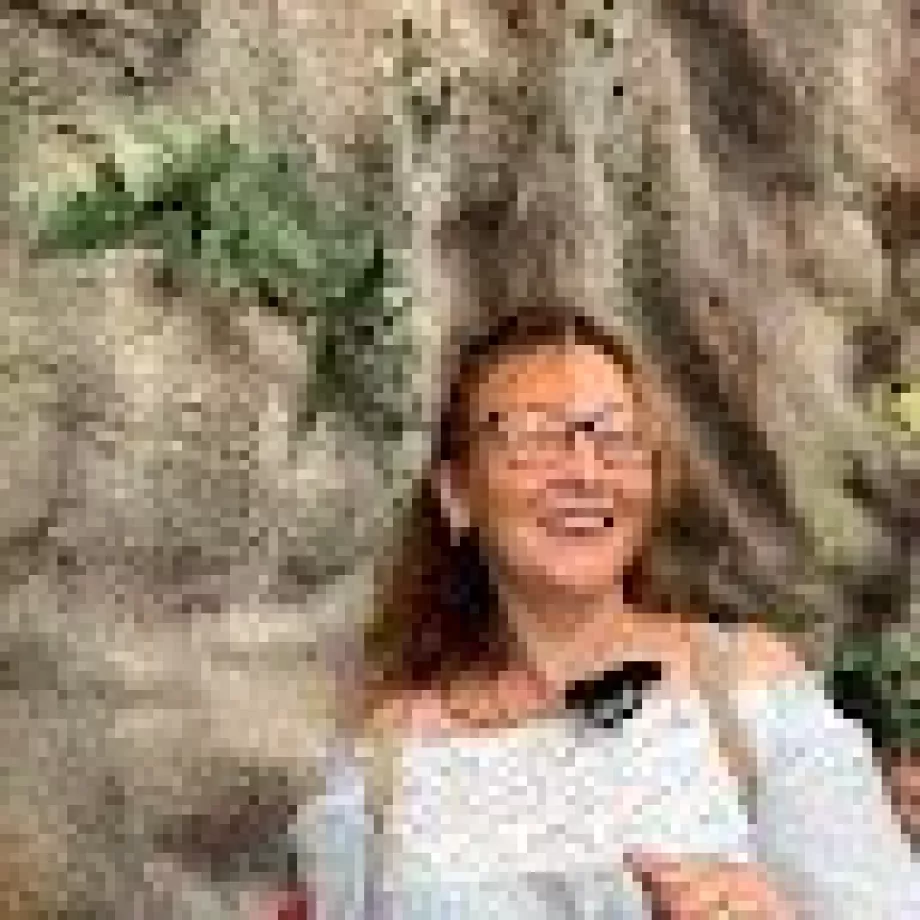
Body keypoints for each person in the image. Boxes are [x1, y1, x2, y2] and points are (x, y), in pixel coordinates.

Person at [290, 305, 917, 919]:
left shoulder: (749, 697)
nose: (585, 472)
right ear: (456, 493)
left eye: (616, 437)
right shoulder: (386, 762)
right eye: (536, 436)